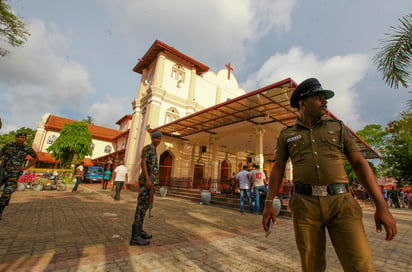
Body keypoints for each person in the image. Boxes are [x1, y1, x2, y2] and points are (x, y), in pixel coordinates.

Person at [262, 78, 397, 272]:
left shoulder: (338, 128)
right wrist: (268, 203)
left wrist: (381, 206)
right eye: (318, 98)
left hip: (342, 204)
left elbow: (359, 164)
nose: (325, 102)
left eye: (325, 98)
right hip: (305, 206)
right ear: (302, 102)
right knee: (312, 266)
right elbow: (277, 169)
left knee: (360, 264)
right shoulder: (286, 135)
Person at [130, 130, 162, 246]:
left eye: (160, 138)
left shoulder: (154, 149)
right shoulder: (147, 148)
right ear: (152, 138)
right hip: (146, 182)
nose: (158, 140)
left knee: (145, 206)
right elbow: (143, 163)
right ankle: (135, 237)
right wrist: (148, 179)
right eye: (156, 138)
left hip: (151, 182)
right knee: (141, 207)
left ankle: (140, 231)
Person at [0, 132, 38, 220]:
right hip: (2, 171)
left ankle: (0, 210)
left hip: (14, 173)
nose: (20, 139)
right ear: (16, 138)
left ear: (25, 139)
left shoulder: (27, 149)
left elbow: (36, 158)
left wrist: (25, 167)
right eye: (19, 137)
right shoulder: (8, 146)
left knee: (7, 193)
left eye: (23, 137)